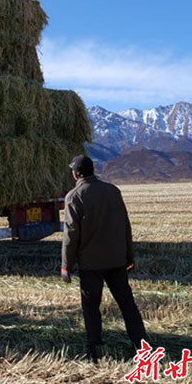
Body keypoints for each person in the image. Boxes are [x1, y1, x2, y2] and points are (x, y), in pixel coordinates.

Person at [61, 154, 147, 359]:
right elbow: (125, 226)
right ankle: (142, 344)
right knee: (127, 304)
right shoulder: (113, 191)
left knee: (91, 307)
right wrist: (129, 256)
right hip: (117, 260)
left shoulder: (74, 197)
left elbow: (71, 235)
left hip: (91, 265)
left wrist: (66, 266)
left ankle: (94, 348)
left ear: (76, 174)